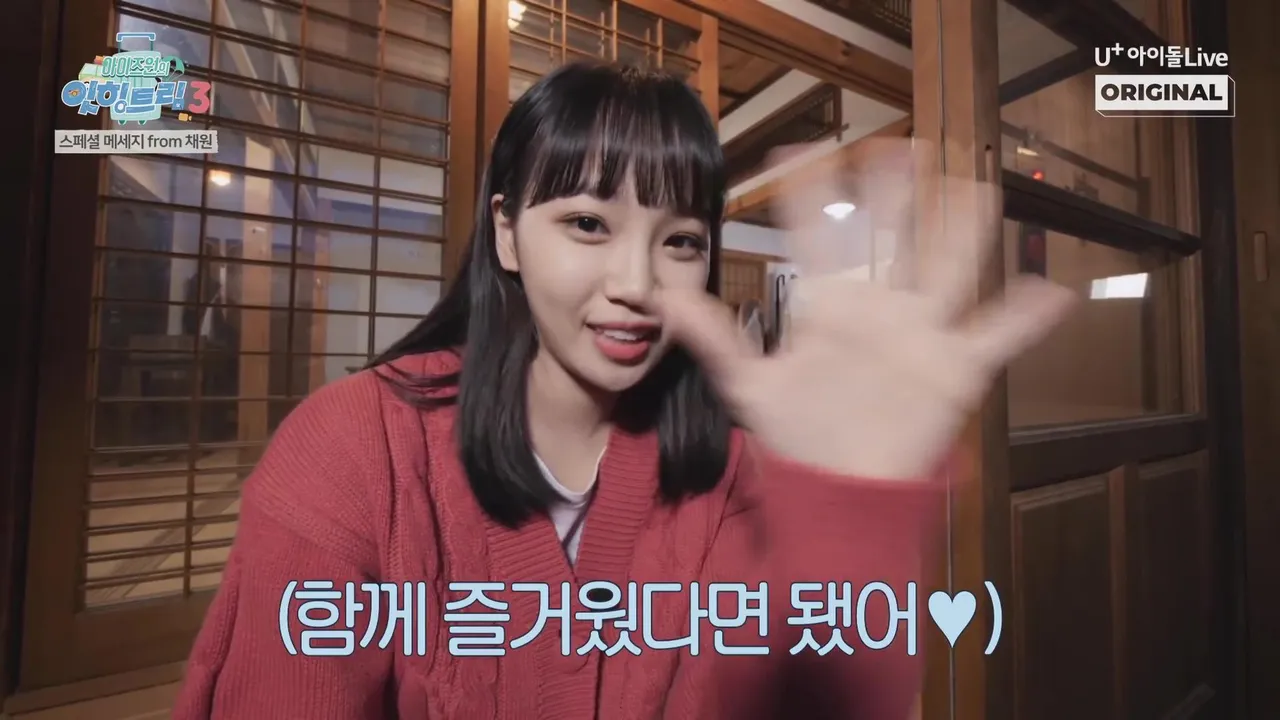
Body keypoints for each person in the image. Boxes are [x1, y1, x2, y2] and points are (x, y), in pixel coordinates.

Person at [173, 63, 1073, 719]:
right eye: (587, 224)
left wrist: (850, 511)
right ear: (507, 233)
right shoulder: (349, 449)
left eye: (680, 241)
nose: (637, 283)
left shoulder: (732, 470)